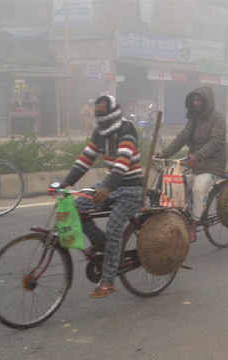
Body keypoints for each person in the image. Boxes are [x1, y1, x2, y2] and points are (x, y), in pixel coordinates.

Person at [58, 96, 143, 299]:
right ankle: (103, 246)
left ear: (112, 112)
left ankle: (108, 280)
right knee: (78, 209)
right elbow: (85, 159)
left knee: (114, 228)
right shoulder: (100, 133)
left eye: (102, 113)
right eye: (96, 113)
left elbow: (122, 162)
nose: (99, 117)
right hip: (110, 186)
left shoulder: (126, 129)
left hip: (131, 189)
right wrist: (65, 183)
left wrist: (107, 187)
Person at [157, 86, 226, 243]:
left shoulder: (218, 119)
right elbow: (181, 138)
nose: (195, 103)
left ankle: (193, 228)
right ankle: (184, 214)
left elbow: (214, 141)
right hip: (194, 160)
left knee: (198, 189)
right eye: (194, 100)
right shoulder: (193, 120)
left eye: (199, 99)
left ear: (207, 101)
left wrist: (198, 155)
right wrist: (165, 153)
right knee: (172, 181)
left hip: (213, 163)